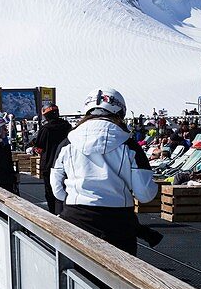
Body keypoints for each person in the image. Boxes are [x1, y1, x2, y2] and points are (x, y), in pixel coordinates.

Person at [50, 89, 157, 256]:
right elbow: (145, 194)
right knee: (118, 277)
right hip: (117, 222)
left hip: (75, 217)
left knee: (77, 275)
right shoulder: (128, 145)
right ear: (120, 112)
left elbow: (57, 189)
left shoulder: (67, 143)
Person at [33, 104, 72, 214]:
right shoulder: (67, 126)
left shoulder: (45, 129)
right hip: (66, 164)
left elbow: (39, 147)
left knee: (50, 192)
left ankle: (53, 214)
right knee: (66, 190)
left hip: (49, 164)